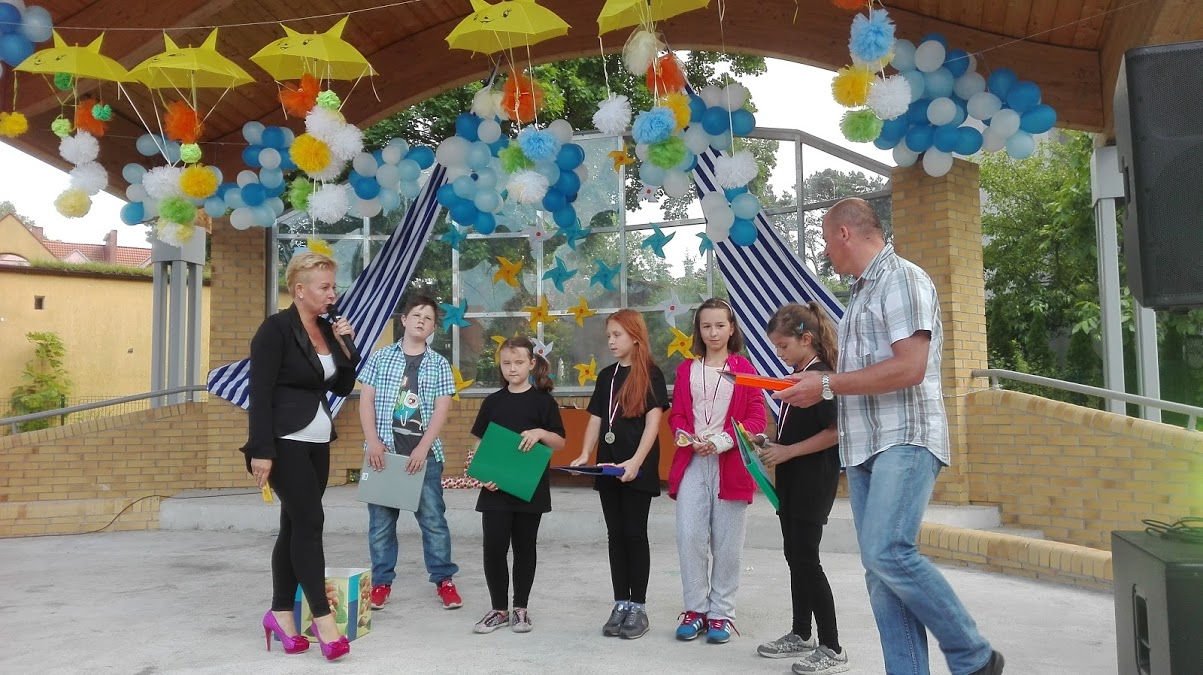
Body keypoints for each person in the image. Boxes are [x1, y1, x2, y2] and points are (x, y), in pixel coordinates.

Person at [775, 198, 1004, 675]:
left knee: (887, 552)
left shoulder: (902, 278)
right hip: (863, 448)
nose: (825, 250)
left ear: (845, 233)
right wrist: (819, 390)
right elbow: (857, 379)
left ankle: (973, 655)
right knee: (880, 574)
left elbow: (910, 367)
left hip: (904, 438)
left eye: (825, 239)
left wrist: (826, 384)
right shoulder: (861, 293)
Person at [244, 251, 358, 662]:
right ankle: (324, 621)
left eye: (333, 286)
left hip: (318, 440)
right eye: (324, 287)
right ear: (300, 290)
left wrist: (347, 347)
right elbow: (259, 393)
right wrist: (261, 450)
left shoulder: (327, 330)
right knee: (311, 523)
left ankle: (279, 614)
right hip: (284, 441)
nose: (332, 294)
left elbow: (341, 387)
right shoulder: (275, 329)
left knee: (293, 527)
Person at [666, 298, 766, 644]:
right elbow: (677, 415)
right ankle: (695, 609)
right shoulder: (686, 370)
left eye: (720, 325)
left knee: (727, 543)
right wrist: (686, 436)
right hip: (693, 462)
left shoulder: (745, 369)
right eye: (706, 326)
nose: (713, 332)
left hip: (731, 464)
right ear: (699, 330)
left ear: (732, 328)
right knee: (689, 537)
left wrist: (723, 441)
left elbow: (757, 419)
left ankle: (721, 613)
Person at [756, 302, 848, 674]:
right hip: (792, 480)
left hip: (813, 481)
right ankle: (801, 633)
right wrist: (766, 443)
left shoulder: (821, 379)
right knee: (794, 556)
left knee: (807, 559)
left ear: (806, 339)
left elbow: (835, 432)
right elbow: (795, 431)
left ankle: (832, 647)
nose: (779, 353)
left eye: (783, 346)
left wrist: (789, 451)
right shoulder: (799, 375)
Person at [357, 294, 462, 612]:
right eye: (416, 315)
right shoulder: (380, 358)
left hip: (423, 458)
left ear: (433, 328)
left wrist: (423, 447)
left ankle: (444, 581)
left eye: (428, 318)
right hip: (383, 455)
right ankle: (381, 583)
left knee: (434, 522)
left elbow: (442, 410)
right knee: (380, 525)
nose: (421, 321)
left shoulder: (439, 364)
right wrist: (373, 441)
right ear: (404, 320)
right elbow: (366, 401)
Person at [570, 309, 669, 640]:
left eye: (617, 335)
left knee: (634, 534)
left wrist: (636, 462)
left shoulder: (651, 374)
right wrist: (585, 454)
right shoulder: (606, 376)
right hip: (608, 467)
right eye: (609, 336)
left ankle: (638, 607)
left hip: (637, 469)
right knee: (615, 536)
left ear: (635, 337)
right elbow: (596, 420)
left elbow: (653, 425)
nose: (611, 342)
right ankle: (620, 603)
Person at [468, 337, 566, 635]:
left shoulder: (543, 402)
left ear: (532, 363)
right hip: (495, 489)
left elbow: (560, 442)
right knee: (494, 548)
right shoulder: (492, 402)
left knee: (525, 548)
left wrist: (539, 433)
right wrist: (483, 474)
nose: (512, 368)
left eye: (519, 362)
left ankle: (520, 608)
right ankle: (499, 610)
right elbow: (478, 441)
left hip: (528, 488)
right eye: (507, 363)